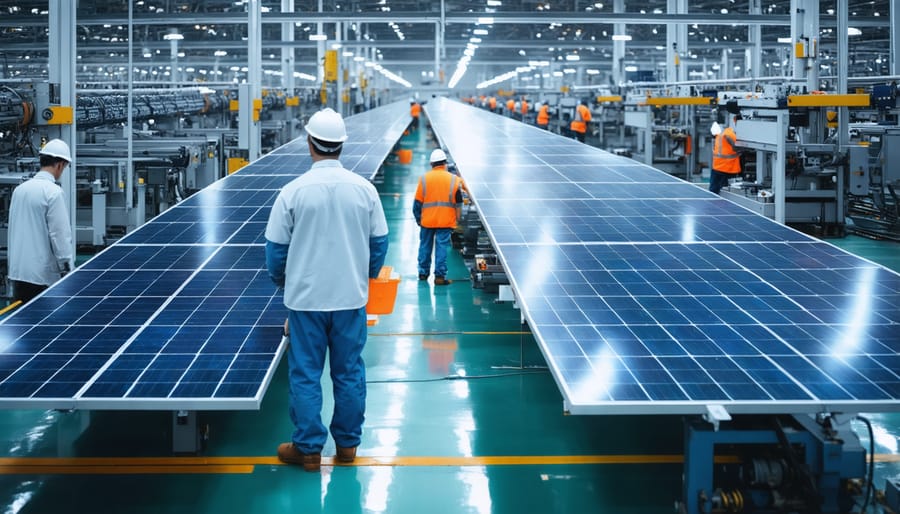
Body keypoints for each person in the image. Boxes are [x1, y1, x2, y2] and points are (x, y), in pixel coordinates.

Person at [265, 108, 389, 472]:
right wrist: (360, 275)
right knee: (348, 372)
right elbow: (379, 243)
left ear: (310, 143)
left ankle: (307, 450)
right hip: (350, 299)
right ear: (341, 147)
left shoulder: (291, 193)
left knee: (306, 373)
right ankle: (348, 446)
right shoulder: (365, 190)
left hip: (305, 301)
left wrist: (284, 283)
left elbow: (275, 252)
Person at [8, 138, 75, 305]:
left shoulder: (20, 190)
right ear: (60, 165)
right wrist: (67, 268)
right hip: (42, 276)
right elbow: (59, 234)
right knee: (44, 324)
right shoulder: (53, 192)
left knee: (23, 324)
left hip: (18, 272)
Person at [413, 149, 464, 286]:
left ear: (431, 164)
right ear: (445, 163)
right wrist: (458, 219)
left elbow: (417, 203)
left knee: (425, 246)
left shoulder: (424, 179)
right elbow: (459, 202)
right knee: (442, 247)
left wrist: (419, 219)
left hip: (427, 221)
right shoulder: (453, 180)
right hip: (445, 221)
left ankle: (423, 273)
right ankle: (440, 277)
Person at [709, 118, 741, 194]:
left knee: (715, 192)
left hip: (720, 168)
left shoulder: (723, 134)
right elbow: (736, 147)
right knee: (726, 193)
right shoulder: (727, 134)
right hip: (727, 168)